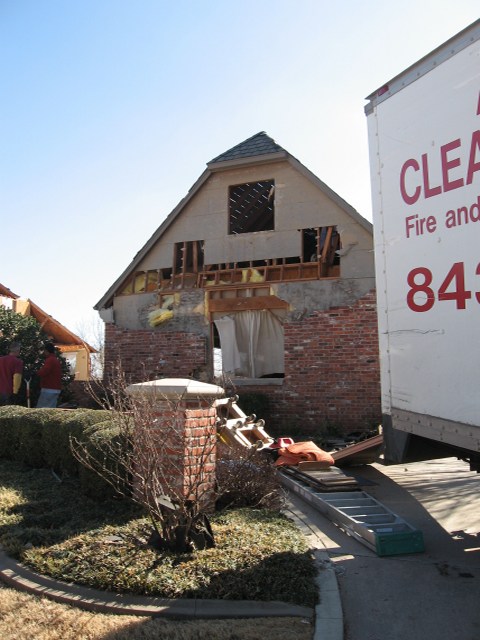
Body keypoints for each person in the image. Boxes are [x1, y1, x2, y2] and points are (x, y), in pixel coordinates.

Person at [36, 342, 62, 408]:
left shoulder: (50, 360)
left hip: (49, 389)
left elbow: (44, 371)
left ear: (46, 350)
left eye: (44, 350)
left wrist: (36, 373)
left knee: (42, 410)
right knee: (50, 409)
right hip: (55, 388)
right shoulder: (56, 360)